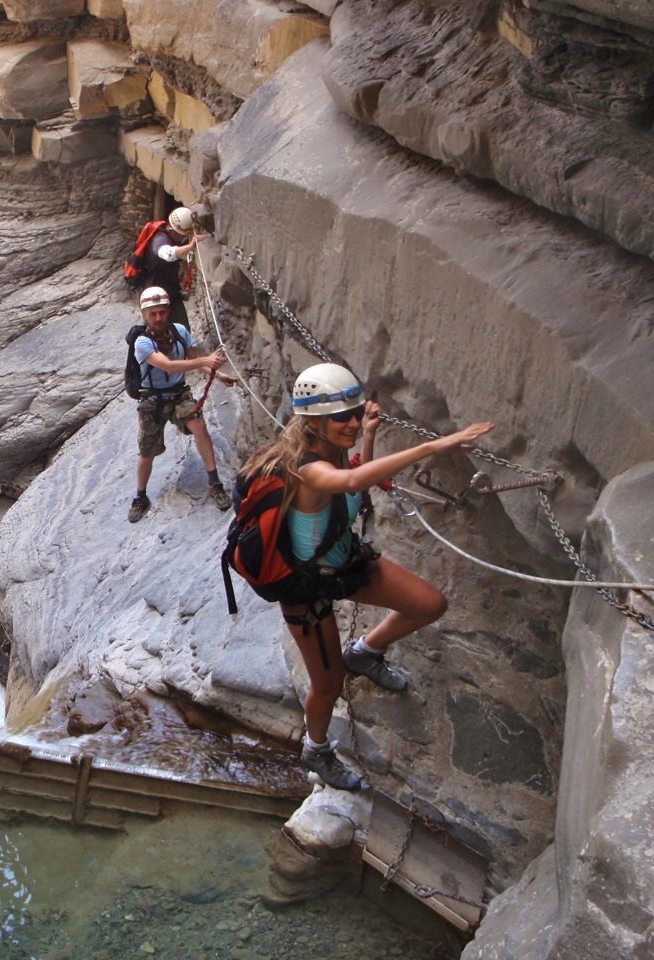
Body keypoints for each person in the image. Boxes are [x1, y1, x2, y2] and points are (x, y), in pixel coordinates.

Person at [238, 362, 495, 790]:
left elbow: (355, 490)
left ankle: (364, 652)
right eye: (344, 416)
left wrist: (370, 435)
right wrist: (437, 446)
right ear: (315, 421)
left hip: (345, 564)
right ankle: (316, 749)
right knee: (328, 684)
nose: (353, 422)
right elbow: (353, 479)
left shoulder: (330, 449)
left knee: (429, 604)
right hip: (307, 588)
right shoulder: (309, 468)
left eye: (357, 413)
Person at [129, 286, 237, 522]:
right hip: (152, 399)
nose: (158, 318)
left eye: (162, 312)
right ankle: (140, 495)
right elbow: (168, 365)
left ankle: (214, 482)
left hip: (178, 394)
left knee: (198, 425)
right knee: (147, 451)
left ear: (168, 312)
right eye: (153, 314)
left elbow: (193, 359)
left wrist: (218, 375)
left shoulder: (179, 331)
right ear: (145, 315)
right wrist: (205, 359)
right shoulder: (142, 343)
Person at [141, 207, 210, 328]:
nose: (183, 239)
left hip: (171, 293)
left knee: (181, 329)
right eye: (183, 236)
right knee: (158, 329)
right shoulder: (160, 240)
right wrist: (190, 246)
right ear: (175, 232)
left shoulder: (169, 236)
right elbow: (168, 254)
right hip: (156, 295)